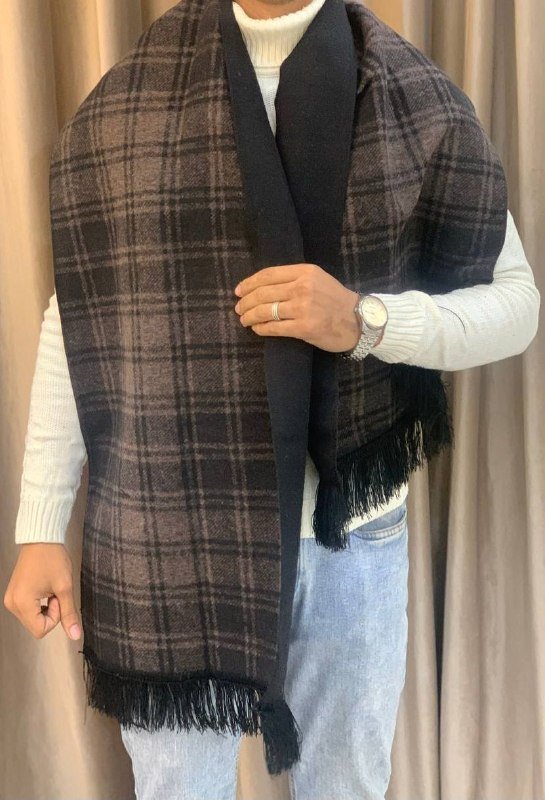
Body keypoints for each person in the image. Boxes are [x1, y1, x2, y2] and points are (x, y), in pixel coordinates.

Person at [4, 0, 540, 797]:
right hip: (172, 534)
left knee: (345, 788)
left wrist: (362, 320)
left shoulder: (409, 99)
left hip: (349, 535)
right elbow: (83, 317)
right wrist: (41, 523)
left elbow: (515, 306)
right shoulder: (132, 104)